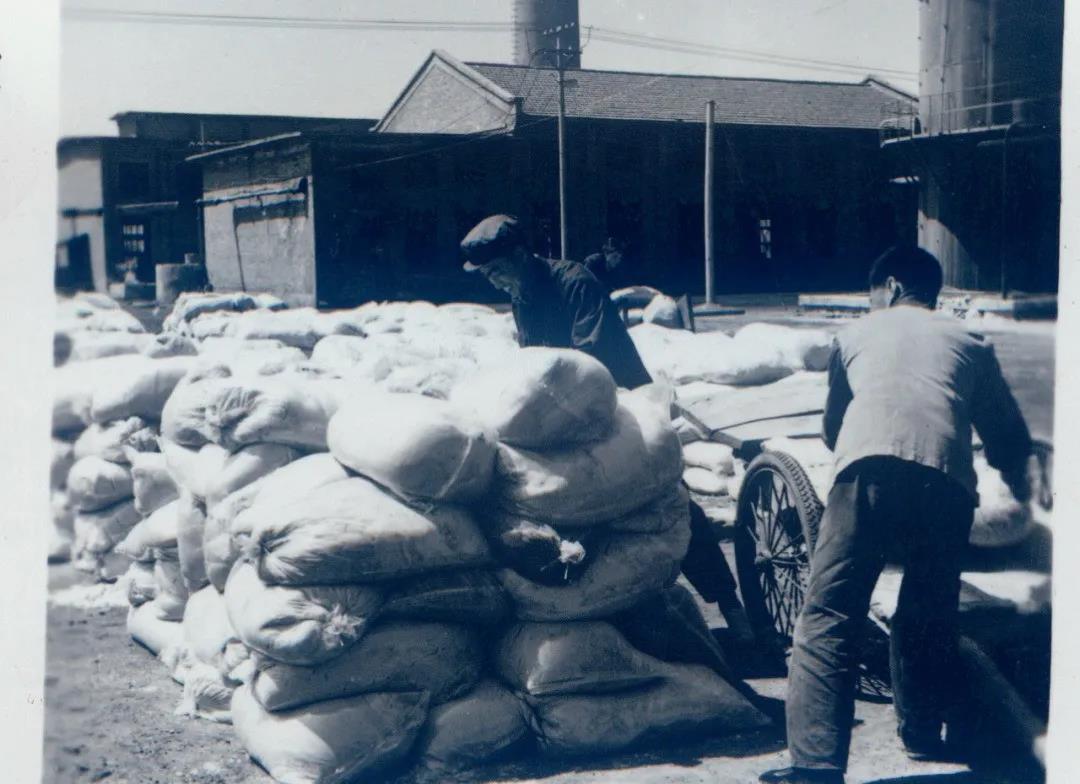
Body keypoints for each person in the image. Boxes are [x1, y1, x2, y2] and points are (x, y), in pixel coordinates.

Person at [760, 246, 1033, 784]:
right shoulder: (971, 342)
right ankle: (923, 730)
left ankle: (815, 764)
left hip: (868, 476)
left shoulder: (856, 334)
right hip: (948, 486)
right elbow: (1006, 436)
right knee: (926, 611)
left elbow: (833, 429)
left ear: (888, 287)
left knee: (829, 613)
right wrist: (1024, 484)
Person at [460, 214, 757, 648]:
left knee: (671, 502)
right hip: (561, 421)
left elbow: (591, 362)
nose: (495, 283)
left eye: (498, 271)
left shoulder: (574, 282)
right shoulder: (521, 296)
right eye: (487, 277)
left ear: (521, 255)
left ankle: (731, 607)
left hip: (622, 408)